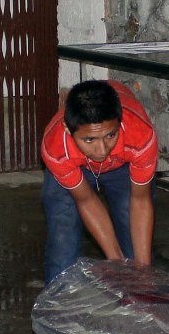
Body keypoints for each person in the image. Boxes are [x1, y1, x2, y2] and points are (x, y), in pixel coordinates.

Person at [40, 79, 158, 283]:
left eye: (111, 135)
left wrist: (142, 273)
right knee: (63, 239)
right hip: (74, 165)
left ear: (119, 123)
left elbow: (140, 201)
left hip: (123, 165)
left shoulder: (141, 135)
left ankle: (138, 306)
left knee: (137, 256)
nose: (102, 150)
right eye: (89, 140)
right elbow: (85, 200)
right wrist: (116, 261)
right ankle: (59, 308)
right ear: (69, 130)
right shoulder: (56, 147)